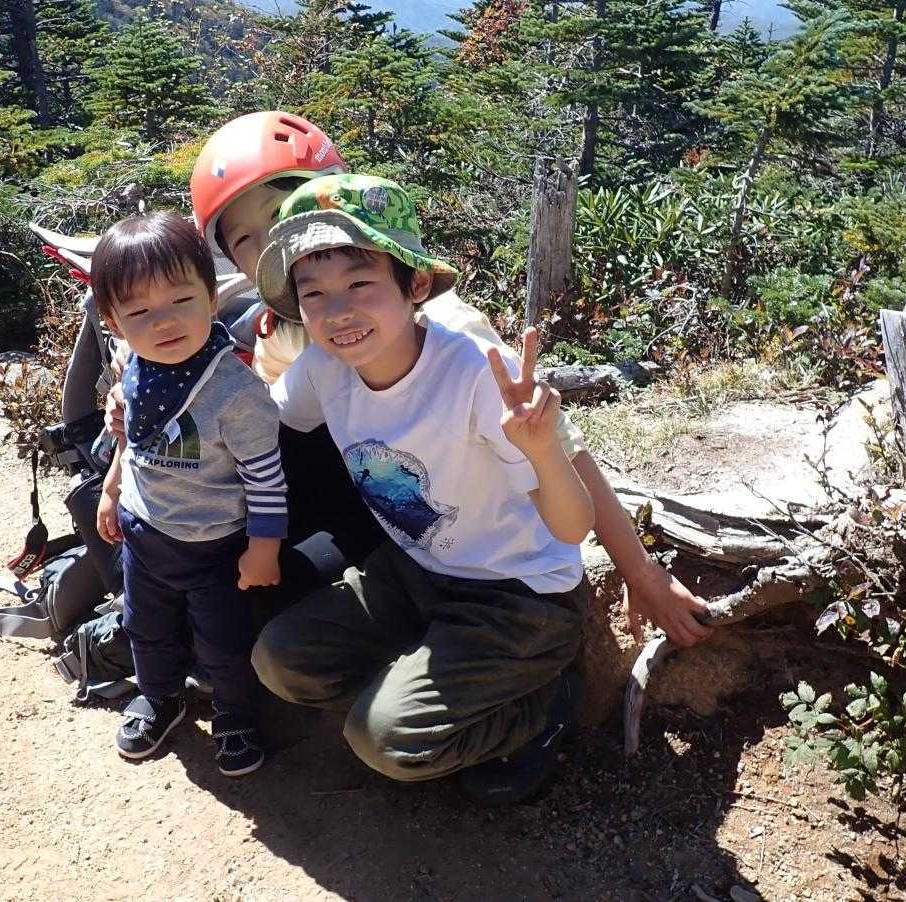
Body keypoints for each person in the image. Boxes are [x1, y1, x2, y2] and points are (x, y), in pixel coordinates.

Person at [73, 110, 714, 645]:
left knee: (269, 599)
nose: (278, 240)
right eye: (246, 237)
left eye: (288, 211)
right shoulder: (271, 322)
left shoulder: (444, 331)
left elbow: (565, 451)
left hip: (403, 521)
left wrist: (643, 574)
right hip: (353, 500)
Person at [250, 173, 593, 804]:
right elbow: (260, 420)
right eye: (313, 293)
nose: (337, 311)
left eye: (360, 283)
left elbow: (572, 529)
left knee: (385, 741)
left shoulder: (472, 374)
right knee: (282, 660)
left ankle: (543, 706)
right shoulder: (324, 367)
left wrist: (544, 447)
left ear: (415, 286)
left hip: (518, 596)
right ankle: (424, 688)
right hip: (416, 572)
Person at [91, 212, 284, 777]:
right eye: (139, 312)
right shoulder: (133, 364)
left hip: (215, 545)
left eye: (181, 300)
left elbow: (266, 478)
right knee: (145, 626)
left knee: (224, 642)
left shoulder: (236, 391)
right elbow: (133, 441)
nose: (165, 321)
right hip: (144, 532)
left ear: (211, 297)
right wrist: (112, 489)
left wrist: (264, 548)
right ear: (114, 321)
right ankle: (160, 696)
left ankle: (234, 716)